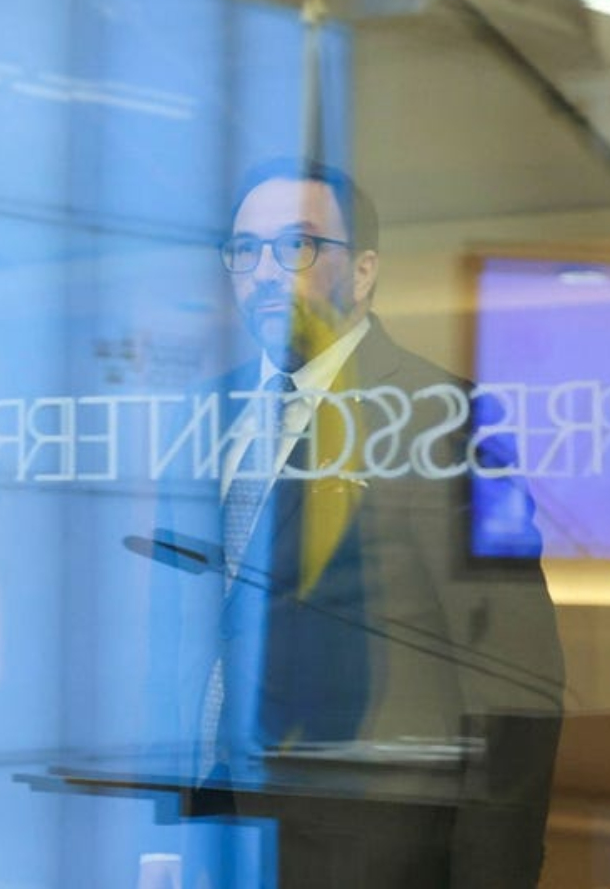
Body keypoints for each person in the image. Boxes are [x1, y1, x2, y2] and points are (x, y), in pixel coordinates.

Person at [168, 159, 565, 888]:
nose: (265, 272)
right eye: (245, 251)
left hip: (371, 849)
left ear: (364, 271)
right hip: (212, 827)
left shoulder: (441, 416)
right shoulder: (203, 412)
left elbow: (514, 682)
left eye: (296, 246)